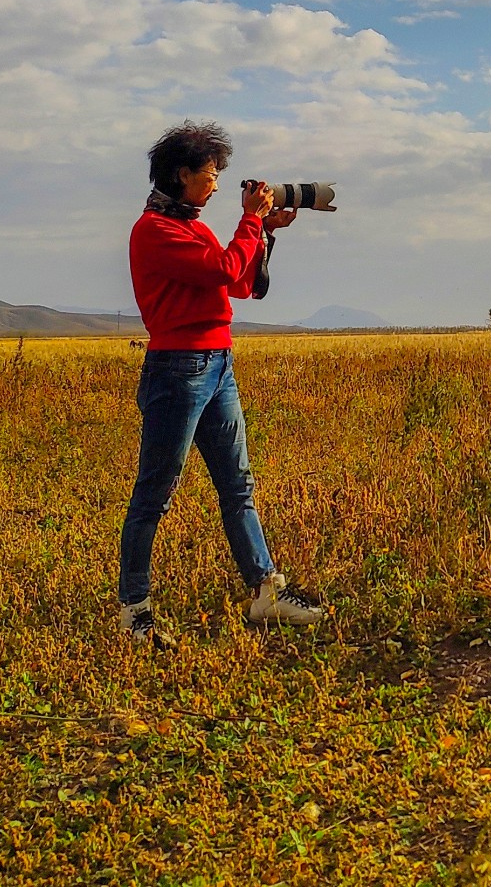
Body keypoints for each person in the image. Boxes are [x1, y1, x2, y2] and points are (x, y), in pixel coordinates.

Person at [118, 120, 326, 647]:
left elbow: (241, 283)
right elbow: (219, 270)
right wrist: (250, 222)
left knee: (238, 486)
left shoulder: (193, 226)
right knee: (154, 495)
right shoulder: (155, 231)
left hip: (217, 364)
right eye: (210, 174)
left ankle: (265, 591)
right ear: (182, 175)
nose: (216, 184)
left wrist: (265, 231)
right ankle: (135, 612)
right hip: (178, 371)